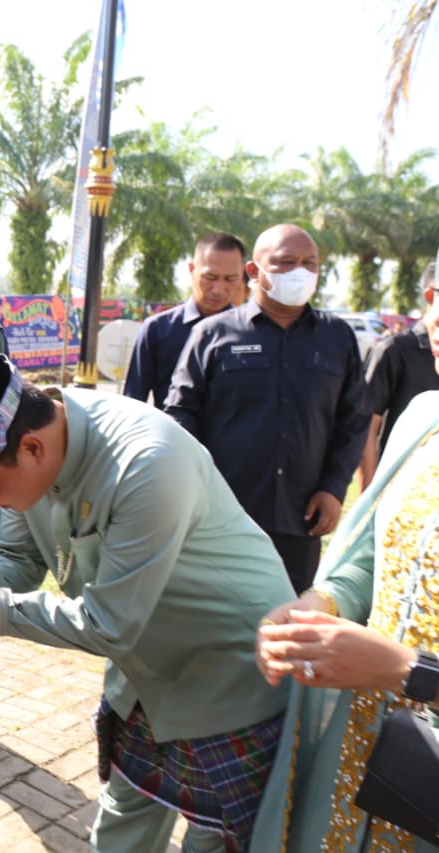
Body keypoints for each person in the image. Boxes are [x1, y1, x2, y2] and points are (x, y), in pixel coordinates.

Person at [0, 344, 295, 853]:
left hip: (232, 674)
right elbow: (17, 561)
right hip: (143, 677)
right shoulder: (35, 441)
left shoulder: (145, 464)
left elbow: (108, 624)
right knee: (121, 827)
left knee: (215, 840)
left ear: (32, 449)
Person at [250, 256, 439, 850]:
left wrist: (407, 672)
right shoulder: (425, 421)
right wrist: (318, 601)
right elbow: (375, 560)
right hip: (366, 750)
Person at [166, 224, 370, 593]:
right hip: (222, 516)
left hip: (302, 516)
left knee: (284, 627)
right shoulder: (212, 334)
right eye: (286, 262)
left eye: (310, 263)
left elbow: (354, 420)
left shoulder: (337, 336)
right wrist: (198, 487)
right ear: (254, 271)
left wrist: (334, 488)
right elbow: (180, 415)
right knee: (217, 622)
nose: (300, 271)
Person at [122, 232, 248, 408]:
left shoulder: (251, 331)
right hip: (173, 433)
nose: (219, 289)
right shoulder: (158, 330)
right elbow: (133, 401)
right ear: (192, 270)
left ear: (242, 274)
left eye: (230, 279)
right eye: (210, 277)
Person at [355, 261, 439, 490]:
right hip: (400, 494)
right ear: (430, 296)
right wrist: (370, 499)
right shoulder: (393, 352)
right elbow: (366, 429)